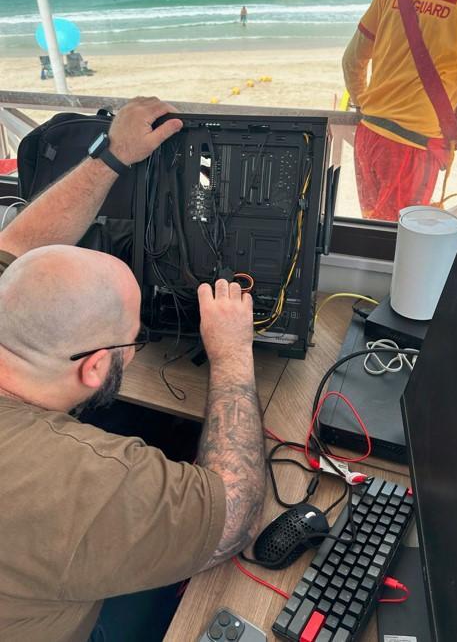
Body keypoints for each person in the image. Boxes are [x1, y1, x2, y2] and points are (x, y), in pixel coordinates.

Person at [0, 97, 266, 642]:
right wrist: (233, 354)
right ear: (96, 367)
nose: (136, 349)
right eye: (132, 340)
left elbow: (17, 247)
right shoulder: (73, 479)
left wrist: (115, 153)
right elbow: (233, 515)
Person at [342, 0, 457, 222]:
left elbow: (352, 59)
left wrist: (362, 105)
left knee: (374, 233)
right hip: (414, 147)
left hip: (368, 134)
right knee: (398, 244)